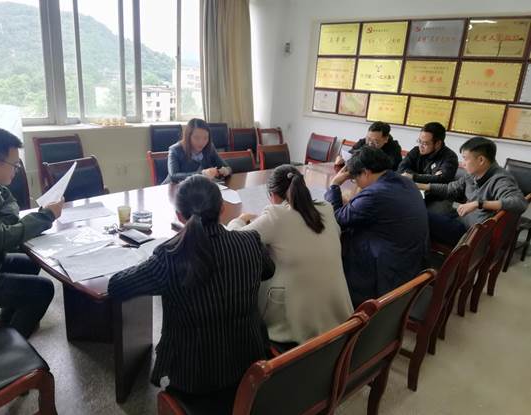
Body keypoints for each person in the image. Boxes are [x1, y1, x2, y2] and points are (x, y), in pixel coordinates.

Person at [108, 175, 275, 396]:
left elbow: (117, 286)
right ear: (222, 208)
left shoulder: (169, 256)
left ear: (179, 215)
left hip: (194, 376)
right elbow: (268, 270)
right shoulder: (250, 241)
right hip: (250, 364)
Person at [228, 165, 353, 347]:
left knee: (249, 281)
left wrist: (238, 220)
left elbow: (234, 241)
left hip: (299, 326)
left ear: (273, 196)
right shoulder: (326, 208)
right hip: (338, 315)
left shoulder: (276, 215)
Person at [0, 126, 63, 338]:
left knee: (32, 261)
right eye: (14, 165)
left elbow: (10, 202)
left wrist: (5, 222)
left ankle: (6, 327)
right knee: (43, 289)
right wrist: (46, 216)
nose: (16, 170)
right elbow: (1, 237)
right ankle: (12, 345)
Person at [325, 146, 428, 308]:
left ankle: (341, 300)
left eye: (354, 178)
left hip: (388, 269)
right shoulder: (405, 182)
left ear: (366, 172)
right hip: (411, 260)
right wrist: (353, 204)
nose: (355, 182)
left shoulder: (375, 194)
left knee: (337, 240)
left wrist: (334, 185)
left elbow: (338, 218)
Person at [418, 136, 528, 247]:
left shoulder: (500, 179)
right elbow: (450, 189)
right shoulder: (473, 174)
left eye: (465, 159)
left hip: (470, 235)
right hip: (460, 219)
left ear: (481, 160)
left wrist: (478, 203)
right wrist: (420, 186)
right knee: (421, 217)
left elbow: (520, 203)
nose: (463, 163)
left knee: (418, 216)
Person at [397, 122, 460, 213]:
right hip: (414, 189)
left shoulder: (450, 157)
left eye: (425, 143)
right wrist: (431, 177)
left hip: (436, 196)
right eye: (419, 141)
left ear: (438, 143)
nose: (420, 146)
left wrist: (413, 177)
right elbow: (401, 169)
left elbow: (442, 180)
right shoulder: (416, 151)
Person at [165, 118, 231, 183]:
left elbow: (227, 167)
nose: (201, 142)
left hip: (198, 187)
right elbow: (173, 176)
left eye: (205, 138)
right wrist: (202, 174)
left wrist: (225, 171)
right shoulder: (175, 150)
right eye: (196, 138)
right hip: (173, 187)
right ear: (188, 136)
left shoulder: (210, 147)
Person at [335, 121, 402, 170]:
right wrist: (341, 159)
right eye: (368, 138)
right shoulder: (364, 141)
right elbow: (350, 154)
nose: (370, 143)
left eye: (375, 141)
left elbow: (388, 167)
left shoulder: (394, 147)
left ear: (386, 139)